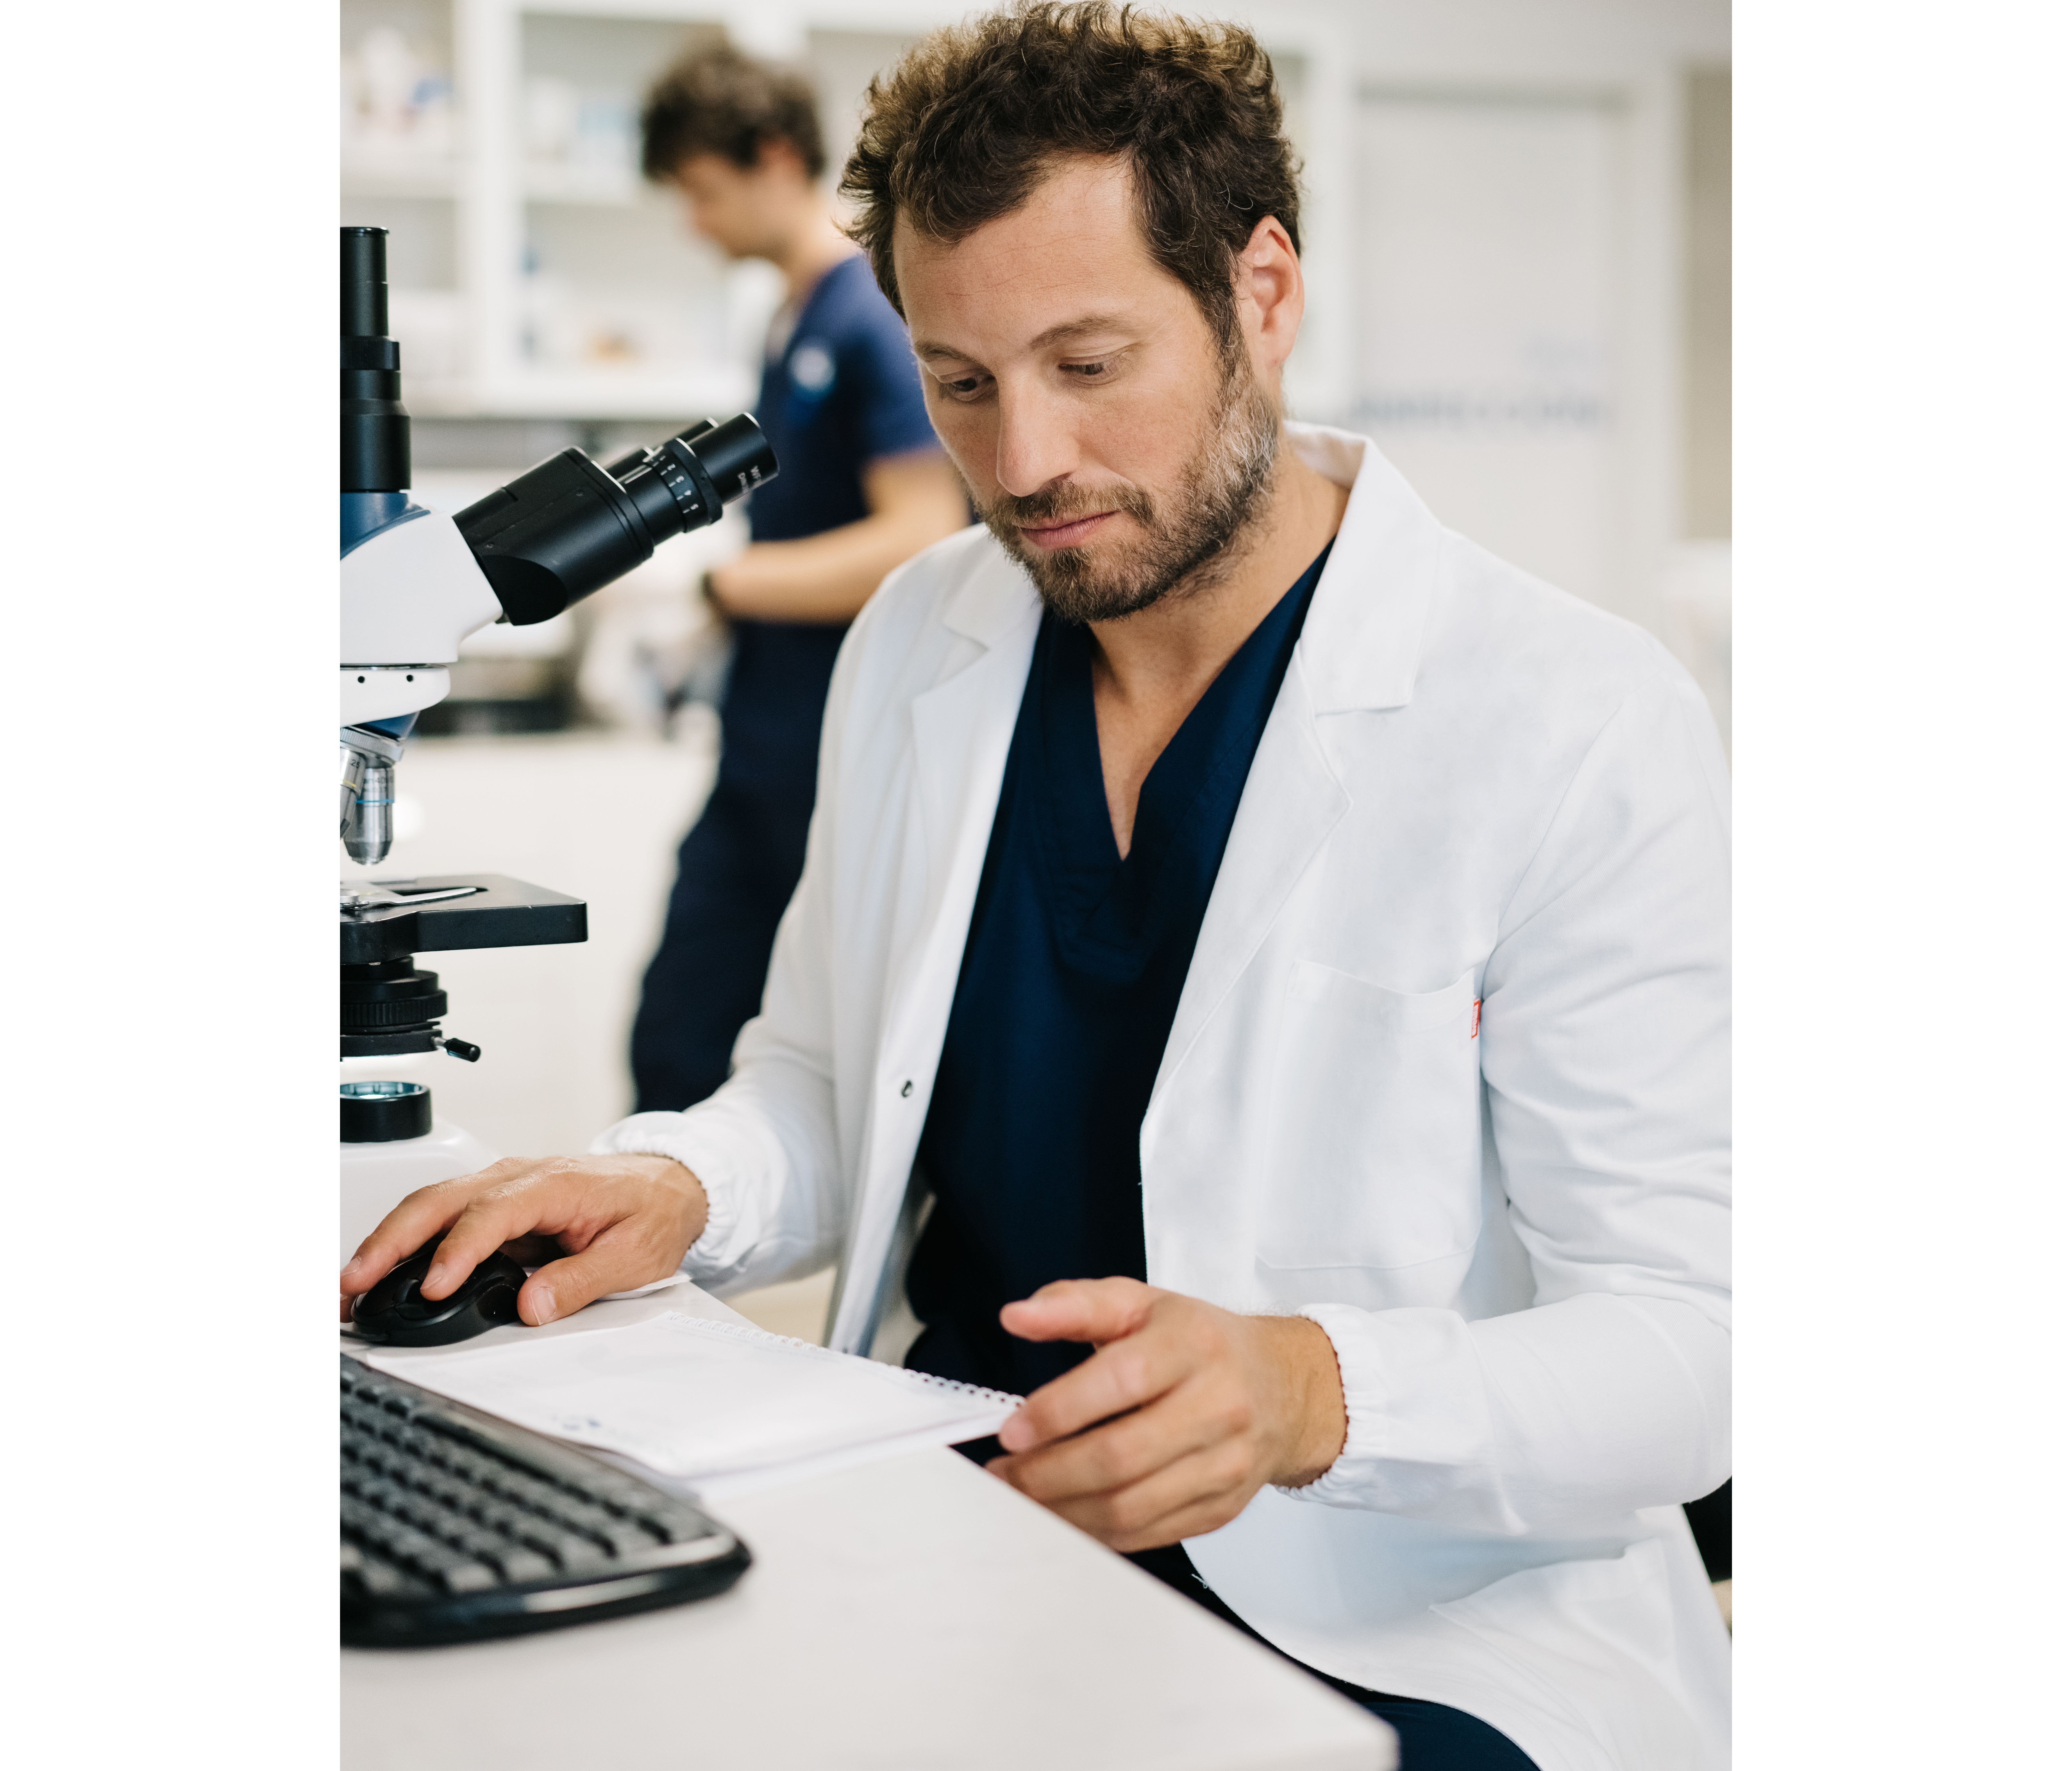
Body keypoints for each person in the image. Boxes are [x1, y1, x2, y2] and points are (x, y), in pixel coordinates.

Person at [343, 8, 1730, 1766]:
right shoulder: (928, 632)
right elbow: (826, 1081)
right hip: (962, 1506)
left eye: (1090, 363)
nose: (1021, 466)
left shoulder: (1570, 716)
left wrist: (1315, 1391)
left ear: (1264, 294)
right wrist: (676, 1180)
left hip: (1411, 1607)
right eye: (962, 380)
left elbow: (1696, 1339)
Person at [629, 44, 969, 1112]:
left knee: (750, 1044)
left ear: (774, 157)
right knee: (678, 1032)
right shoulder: (788, 319)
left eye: (702, 191)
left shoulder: (868, 317)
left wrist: (727, 587)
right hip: (766, 736)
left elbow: (919, 532)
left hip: (830, 746)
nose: (693, 222)